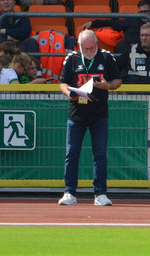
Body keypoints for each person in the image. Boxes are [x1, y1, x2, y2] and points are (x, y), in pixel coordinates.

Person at [57, 29, 122, 206]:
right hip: (76, 114)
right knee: (71, 154)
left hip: (99, 114)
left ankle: (100, 193)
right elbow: (63, 82)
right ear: (79, 46)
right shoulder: (71, 58)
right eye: (85, 49)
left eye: (92, 48)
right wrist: (69, 93)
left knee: (100, 154)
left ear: (97, 44)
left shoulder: (106, 57)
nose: (89, 51)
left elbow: (118, 80)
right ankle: (69, 192)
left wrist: (108, 86)